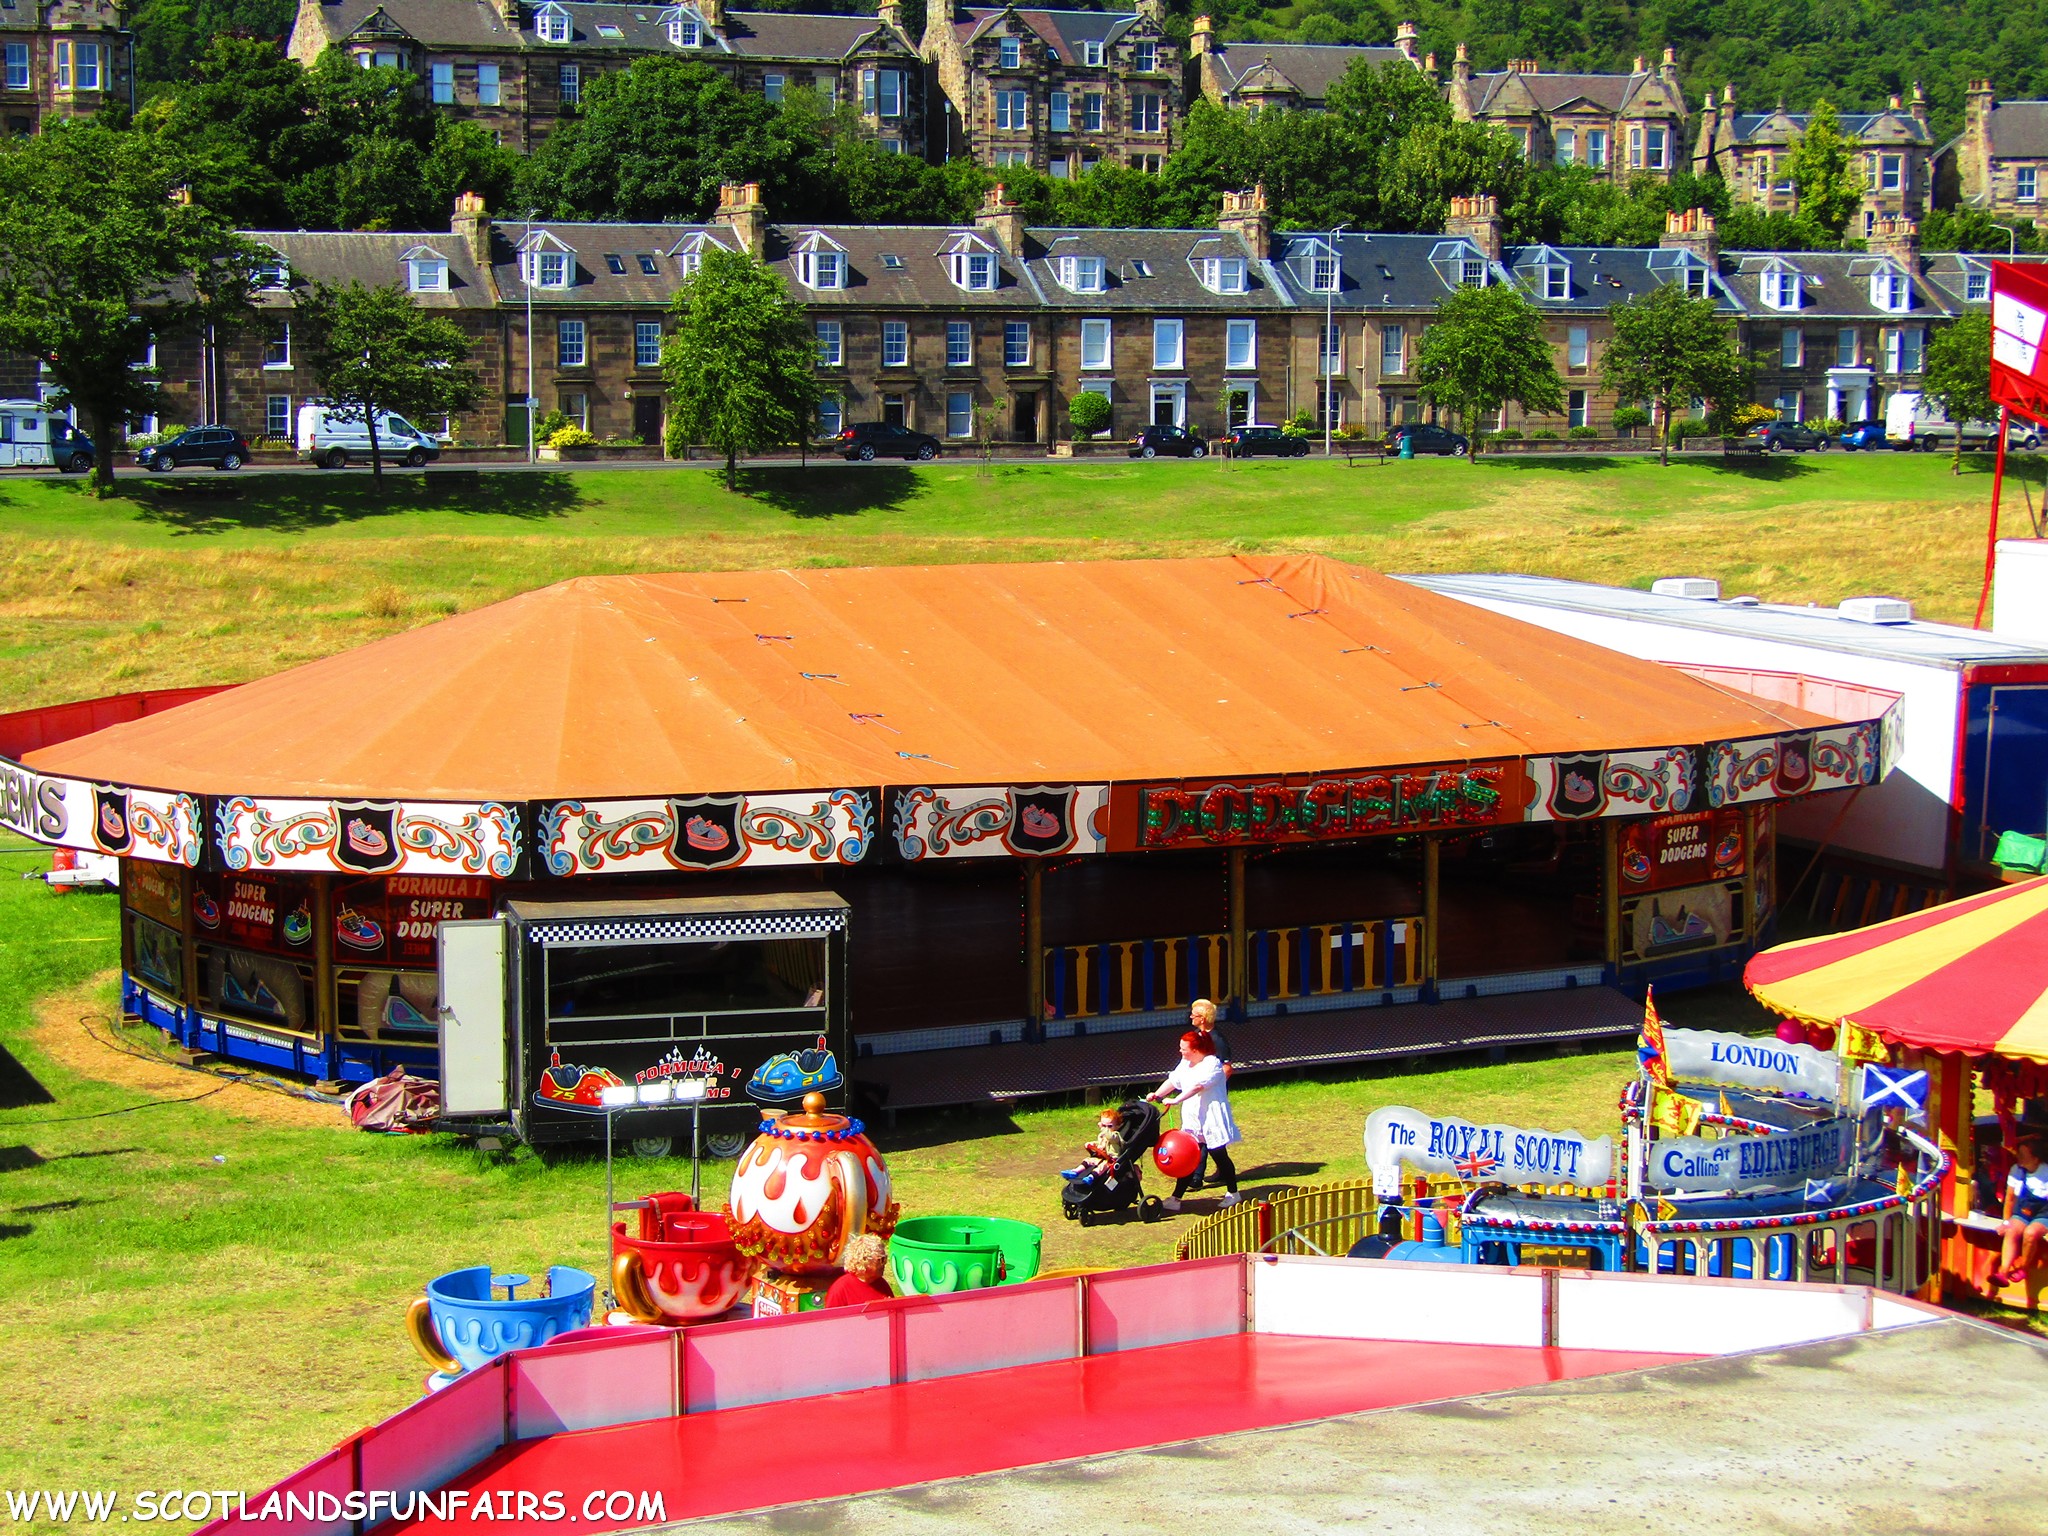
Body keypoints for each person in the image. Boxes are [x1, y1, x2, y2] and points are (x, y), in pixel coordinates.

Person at [1147, 1030, 1241, 1212]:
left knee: (1218, 1154)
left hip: (1211, 1117)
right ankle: (1176, 1198)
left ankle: (1233, 1193)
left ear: (1196, 1049)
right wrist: (1157, 1094)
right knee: (1189, 1156)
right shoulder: (1185, 1062)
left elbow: (1198, 1086)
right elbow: (1173, 1080)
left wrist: (1175, 1100)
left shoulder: (1212, 1063)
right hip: (1193, 1117)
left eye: (1184, 1048)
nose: (1181, 1051)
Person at [1996, 1135, 2048, 1286]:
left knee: (2030, 1233)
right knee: (2012, 1230)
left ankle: (2023, 1267)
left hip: (2043, 1214)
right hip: (2023, 1212)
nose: (2019, 1157)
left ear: (2036, 1158)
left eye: (2023, 1155)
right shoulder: (2016, 1171)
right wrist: (2006, 1222)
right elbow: (2010, 1199)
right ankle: (2003, 1272)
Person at [823, 1234, 893, 1308]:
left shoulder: (882, 1284)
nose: (884, 1263)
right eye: (881, 1259)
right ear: (864, 1260)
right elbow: (832, 1318)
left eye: (885, 1258)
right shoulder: (840, 1290)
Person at [1061, 1106, 1126, 1181]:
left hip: (1111, 1161)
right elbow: (1100, 1143)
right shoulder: (1103, 1135)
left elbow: (1111, 1138)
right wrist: (1092, 1144)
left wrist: (1103, 1128)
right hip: (1102, 1157)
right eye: (1104, 1125)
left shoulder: (1116, 1135)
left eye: (1110, 1126)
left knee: (1101, 1167)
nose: (1106, 1128)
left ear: (1117, 1126)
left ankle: (1091, 1177)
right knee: (1088, 1160)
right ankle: (1075, 1171)